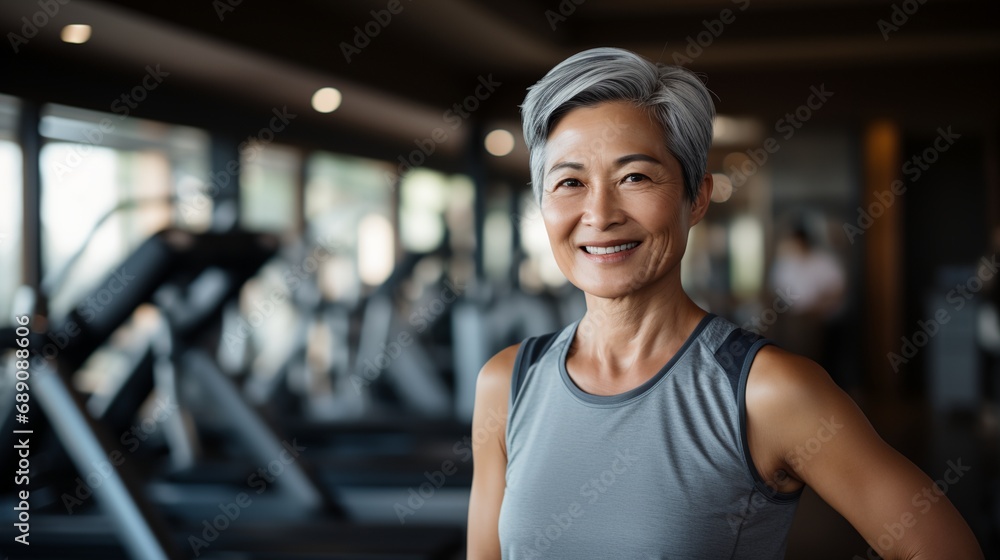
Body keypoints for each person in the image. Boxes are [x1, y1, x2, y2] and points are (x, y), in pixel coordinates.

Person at [466, 47, 982, 559]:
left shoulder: (769, 391)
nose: (599, 214)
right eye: (570, 183)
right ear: (543, 206)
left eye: (635, 177)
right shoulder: (506, 384)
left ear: (696, 197)